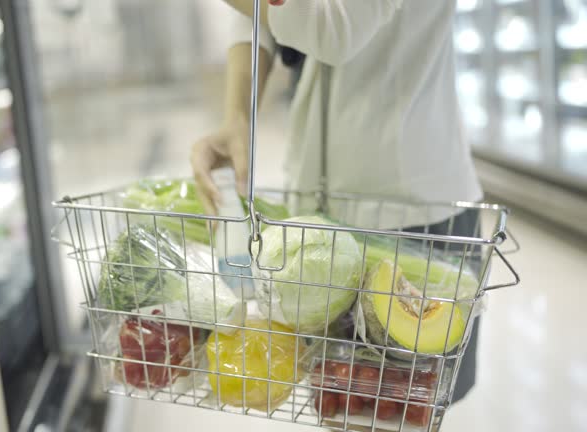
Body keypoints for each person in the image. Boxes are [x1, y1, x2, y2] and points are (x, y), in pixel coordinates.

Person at [191, 0, 482, 403]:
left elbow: (332, 30)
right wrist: (237, 116)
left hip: (409, 212)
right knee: (339, 405)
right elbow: (258, 14)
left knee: (401, 411)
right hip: (320, 219)